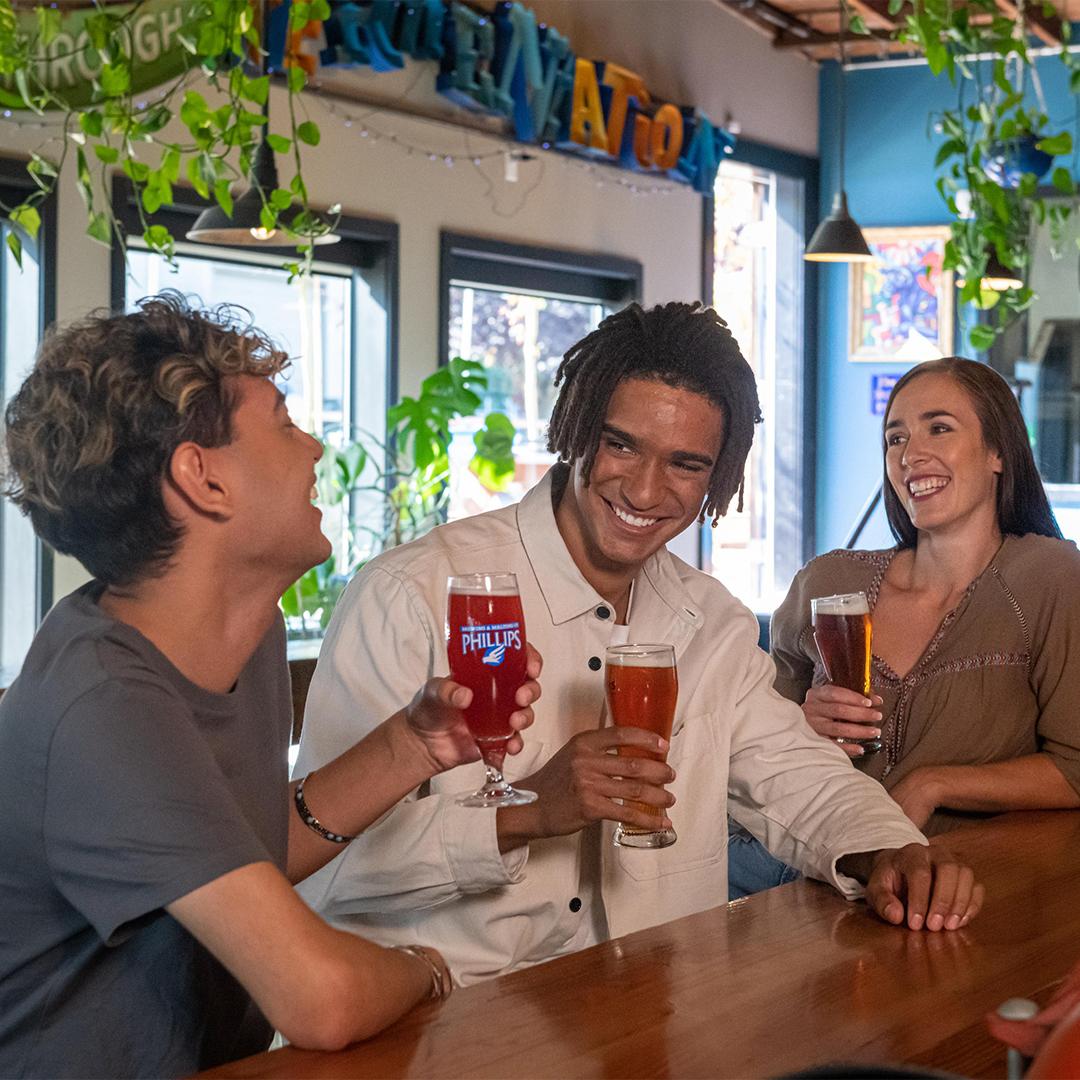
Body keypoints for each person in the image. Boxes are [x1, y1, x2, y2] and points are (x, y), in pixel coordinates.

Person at [295, 301, 983, 988]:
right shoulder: (413, 595)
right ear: (575, 428)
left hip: (650, 1014)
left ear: (719, 477)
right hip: (445, 1017)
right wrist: (528, 812)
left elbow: (797, 778)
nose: (647, 490)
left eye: (686, 465)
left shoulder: (710, 619)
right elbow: (320, 871)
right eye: (621, 445)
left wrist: (891, 851)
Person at [0, 294, 541, 1079]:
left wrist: (410, 747)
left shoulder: (245, 634)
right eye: (284, 423)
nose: (316, 447)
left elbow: (232, 851)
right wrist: (426, 968)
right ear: (203, 480)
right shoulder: (101, 706)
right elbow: (319, 1001)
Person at [748, 357, 1080, 893]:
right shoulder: (828, 582)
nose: (910, 454)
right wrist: (801, 726)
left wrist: (935, 784)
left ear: (998, 452)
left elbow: (1074, 766)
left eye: (940, 428)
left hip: (965, 894)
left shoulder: (1050, 577)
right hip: (809, 884)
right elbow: (751, 752)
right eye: (895, 438)